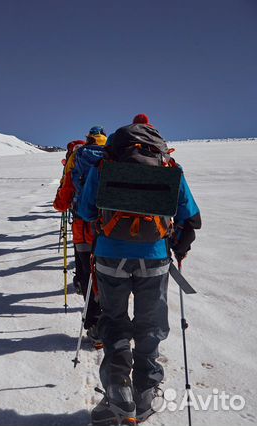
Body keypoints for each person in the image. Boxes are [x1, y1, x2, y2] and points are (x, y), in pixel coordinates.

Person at [78, 117, 201, 425]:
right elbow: (192, 215)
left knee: (114, 320)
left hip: (109, 257)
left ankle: (118, 392)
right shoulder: (168, 166)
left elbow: (85, 210)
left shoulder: (104, 166)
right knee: (150, 322)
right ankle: (146, 392)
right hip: (154, 257)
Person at [53, 127, 106, 346]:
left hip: (83, 226)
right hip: (109, 227)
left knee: (86, 273)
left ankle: (95, 325)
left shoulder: (78, 157)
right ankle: (113, 322)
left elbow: (65, 192)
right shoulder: (113, 155)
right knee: (108, 273)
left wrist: (60, 204)